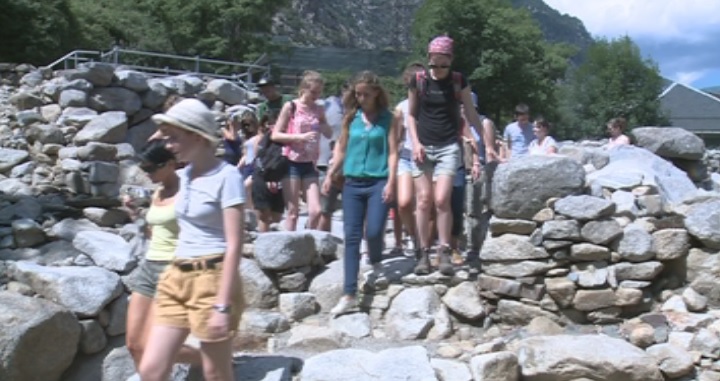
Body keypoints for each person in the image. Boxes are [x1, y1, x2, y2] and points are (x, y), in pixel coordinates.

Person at [139, 98, 245, 381]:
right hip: (176, 276)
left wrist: (222, 305)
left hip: (213, 277)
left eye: (174, 139)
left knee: (215, 373)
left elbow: (235, 244)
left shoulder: (227, 176)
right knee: (151, 368)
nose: (168, 145)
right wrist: (168, 126)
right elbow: (153, 143)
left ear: (197, 136)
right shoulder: (183, 175)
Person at [407, 35, 497, 276]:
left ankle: (444, 250)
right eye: (434, 64)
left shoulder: (458, 81)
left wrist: (487, 144)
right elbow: (411, 115)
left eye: (443, 65)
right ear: (428, 60)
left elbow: (471, 113)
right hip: (424, 145)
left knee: (442, 199)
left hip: (448, 145)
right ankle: (423, 253)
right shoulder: (419, 81)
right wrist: (415, 143)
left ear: (451, 61)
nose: (438, 69)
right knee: (424, 200)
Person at [323, 71, 399, 315]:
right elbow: (342, 150)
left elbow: (393, 152)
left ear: (376, 93)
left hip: (378, 180)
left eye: (366, 93)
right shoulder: (351, 118)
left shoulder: (390, 118)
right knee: (351, 237)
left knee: (375, 230)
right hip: (352, 182)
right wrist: (330, 173)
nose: (361, 98)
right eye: (358, 94)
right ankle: (349, 293)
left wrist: (391, 181)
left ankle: (376, 260)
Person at [124, 140, 201, 370]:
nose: (146, 174)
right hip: (149, 267)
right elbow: (155, 232)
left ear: (169, 164)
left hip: (175, 270)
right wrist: (135, 214)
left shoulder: (190, 192)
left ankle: (213, 359)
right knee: (134, 346)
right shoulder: (158, 191)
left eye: (150, 168)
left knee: (153, 346)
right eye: (143, 169)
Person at [272, 71, 334, 231]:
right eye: (313, 92)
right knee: (293, 212)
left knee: (316, 211)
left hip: (310, 163)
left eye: (319, 92)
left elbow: (328, 133)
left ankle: (307, 240)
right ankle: (290, 246)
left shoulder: (319, 109)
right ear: (303, 89)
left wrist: (322, 125)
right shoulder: (291, 106)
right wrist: (299, 137)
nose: (316, 95)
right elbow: (275, 135)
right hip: (291, 161)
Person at [394, 62, 425, 255]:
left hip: (427, 158)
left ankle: (425, 241)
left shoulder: (431, 104)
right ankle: (413, 235)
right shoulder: (401, 108)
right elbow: (396, 137)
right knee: (404, 202)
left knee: (423, 202)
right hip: (405, 157)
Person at [317, 83, 348, 232]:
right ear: (343, 90)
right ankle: (323, 243)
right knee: (325, 209)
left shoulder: (358, 111)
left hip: (349, 166)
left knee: (353, 210)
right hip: (325, 163)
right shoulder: (326, 105)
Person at [252, 112, 285, 232]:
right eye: (269, 124)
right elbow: (258, 159)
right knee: (263, 214)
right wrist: (268, 178)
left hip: (280, 178)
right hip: (261, 176)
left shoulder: (287, 139)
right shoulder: (261, 140)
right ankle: (263, 240)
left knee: (277, 214)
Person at [237, 111, 261, 212]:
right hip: (247, 166)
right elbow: (245, 155)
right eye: (244, 125)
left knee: (245, 187)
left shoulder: (260, 134)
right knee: (248, 192)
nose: (247, 127)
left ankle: (251, 212)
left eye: (249, 124)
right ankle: (250, 213)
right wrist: (237, 167)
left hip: (256, 165)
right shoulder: (246, 138)